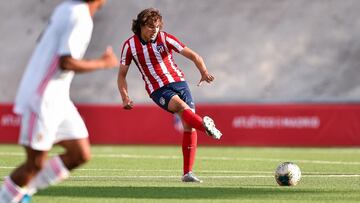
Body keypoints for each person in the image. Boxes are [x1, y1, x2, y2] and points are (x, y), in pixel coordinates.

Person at [0, 0, 118, 202]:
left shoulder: (66, 9)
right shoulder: (79, 16)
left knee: (79, 153)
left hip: (59, 97)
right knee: (35, 163)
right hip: (42, 97)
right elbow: (66, 62)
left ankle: (22, 194)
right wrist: (103, 63)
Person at [117, 8, 222, 183]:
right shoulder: (129, 46)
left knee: (189, 126)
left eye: (156, 27)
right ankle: (206, 127)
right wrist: (124, 96)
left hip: (179, 82)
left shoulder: (166, 38)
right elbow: (121, 75)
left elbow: (194, 56)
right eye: (150, 27)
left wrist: (203, 71)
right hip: (157, 89)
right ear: (141, 26)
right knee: (181, 107)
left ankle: (187, 173)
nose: (154, 31)